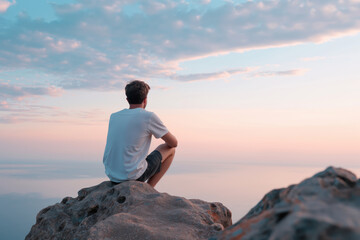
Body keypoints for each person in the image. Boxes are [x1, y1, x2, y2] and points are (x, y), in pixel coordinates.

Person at [103, 80, 177, 188]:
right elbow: (174, 143)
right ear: (145, 99)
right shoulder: (148, 116)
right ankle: (148, 189)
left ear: (127, 99)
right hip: (133, 176)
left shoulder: (114, 116)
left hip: (113, 176)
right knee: (170, 149)